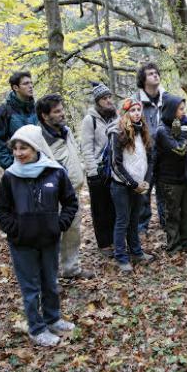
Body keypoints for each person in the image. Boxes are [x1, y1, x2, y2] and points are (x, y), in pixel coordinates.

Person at [0, 125, 78, 346]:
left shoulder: (55, 171)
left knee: (50, 282)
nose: (18, 153)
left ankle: (53, 319)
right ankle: (36, 328)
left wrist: (59, 225)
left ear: (36, 147)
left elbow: (70, 202)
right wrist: (17, 229)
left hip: (49, 240)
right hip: (22, 244)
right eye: (15, 148)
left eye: (24, 148)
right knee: (30, 288)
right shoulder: (10, 176)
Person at [36, 94, 93, 280]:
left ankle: (71, 269)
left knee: (73, 231)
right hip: (51, 197)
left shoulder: (65, 130)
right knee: (52, 236)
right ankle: (49, 278)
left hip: (72, 193)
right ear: (45, 116)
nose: (62, 114)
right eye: (57, 111)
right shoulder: (38, 139)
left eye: (62, 109)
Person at [107, 97, 155, 271]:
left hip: (139, 185)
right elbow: (116, 164)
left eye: (138, 110)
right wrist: (132, 183)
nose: (136, 114)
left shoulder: (143, 131)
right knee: (122, 221)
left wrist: (146, 181)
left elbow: (150, 160)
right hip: (121, 185)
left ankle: (136, 252)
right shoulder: (117, 132)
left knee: (135, 220)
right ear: (125, 113)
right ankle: (121, 257)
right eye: (132, 110)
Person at [155, 95, 187, 254]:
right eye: (180, 109)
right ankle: (174, 246)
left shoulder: (180, 124)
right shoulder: (162, 130)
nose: (183, 112)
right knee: (173, 214)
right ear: (172, 111)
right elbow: (179, 150)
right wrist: (186, 133)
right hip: (170, 180)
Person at [81, 83, 117, 256]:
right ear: (97, 101)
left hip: (115, 170)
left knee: (114, 207)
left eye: (109, 97)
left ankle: (115, 239)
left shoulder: (115, 117)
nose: (108, 100)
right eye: (104, 98)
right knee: (100, 209)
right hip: (98, 171)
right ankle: (104, 244)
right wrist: (93, 171)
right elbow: (86, 148)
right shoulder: (90, 119)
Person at [136, 62, 169, 233]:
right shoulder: (136, 102)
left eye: (156, 73)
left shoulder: (167, 99)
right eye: (150, 74)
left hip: (165, 155)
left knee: (164, 190)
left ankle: (166, 222)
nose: (155, 75)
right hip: (144, 155)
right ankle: (141, 227)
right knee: (144, 192)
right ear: (143, 79)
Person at [0, 71, 38, 169]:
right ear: (16, 88)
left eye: (31, 82)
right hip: (19, 167)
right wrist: (11, 166)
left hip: (40, 164)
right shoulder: (2, 112)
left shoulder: (37, 108)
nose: (31, 86)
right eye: (25, 83)